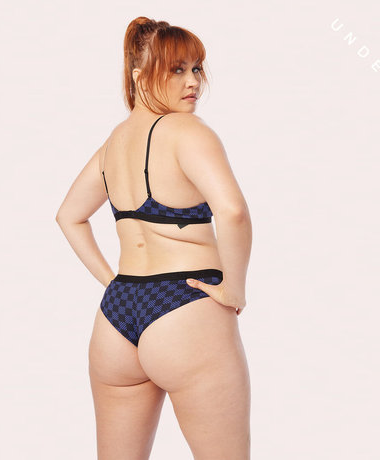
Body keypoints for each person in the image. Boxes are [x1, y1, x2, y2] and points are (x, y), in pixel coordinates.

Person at [55, 16, 252, 460]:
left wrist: (110, 281)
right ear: (139, 75)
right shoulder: (188, 131)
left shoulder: (113, 143)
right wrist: (234, 288)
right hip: (186, 308)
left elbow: (69, 216)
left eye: (196, 68)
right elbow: (234, 212)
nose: (193, 82)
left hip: (116, 317)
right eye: (176, 69)